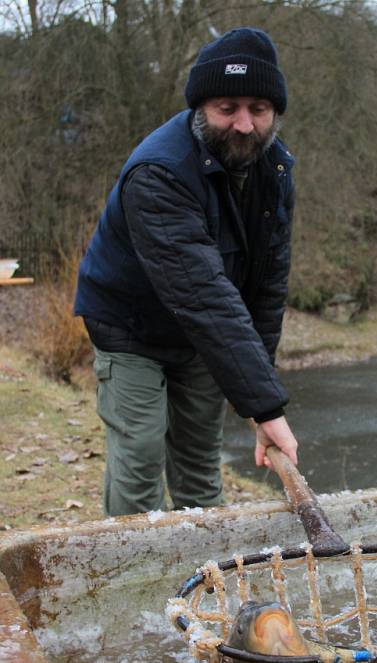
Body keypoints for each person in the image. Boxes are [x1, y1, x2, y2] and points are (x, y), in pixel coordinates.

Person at [74, 27, 298, 517]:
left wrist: (259, 395)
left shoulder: (275, 169)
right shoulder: (159, 172)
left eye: (258, 109)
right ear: (201, 107)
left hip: (201, 333)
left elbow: (266, 285)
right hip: (129, 324)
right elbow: (200, 292)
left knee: (199, 461)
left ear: (274, 112)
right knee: (140, 458)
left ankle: (205, 582)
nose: (244, 124)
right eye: (228, 108)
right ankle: (135, 585)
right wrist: (266, 406)